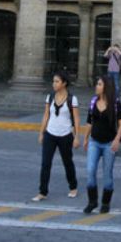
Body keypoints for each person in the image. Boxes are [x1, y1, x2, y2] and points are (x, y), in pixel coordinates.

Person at [32, 70, 80, 202]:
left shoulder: (72, 99)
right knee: (45, 163)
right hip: (50, 134)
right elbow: (46, 115)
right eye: (53, 81)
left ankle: (73, 187)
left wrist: (76, 137)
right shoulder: (50, 97)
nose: (54, 84)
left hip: (65, 134)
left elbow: (76, 119)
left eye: (57, 81)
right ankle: (42, 192)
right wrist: (41, 132)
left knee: (67, 162)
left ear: (64, 83)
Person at [82, 75, 121, 214]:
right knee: (90, 170)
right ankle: (92, 201)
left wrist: (117, 139)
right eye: (97, 84)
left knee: (107, 174)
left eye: (99, 84)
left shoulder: (115, 104)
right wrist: (85, 138)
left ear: (106, 87)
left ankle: (105, 203)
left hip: (109, 144)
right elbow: (89, 121)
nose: (96, 86)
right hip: (94, 142)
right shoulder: (93, 101)